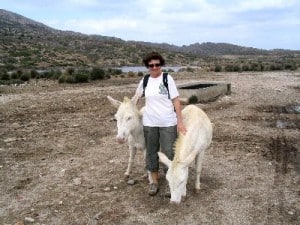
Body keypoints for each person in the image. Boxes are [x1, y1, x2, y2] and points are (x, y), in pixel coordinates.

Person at [134, 51, 187, 196]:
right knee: (151, 152)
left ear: (161, 64)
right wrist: (126, 111)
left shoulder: (167, 78)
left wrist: (180, 121)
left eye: (157, 64)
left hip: (168, 122)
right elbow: (136, 98)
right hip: (150, 123)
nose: (154, 67)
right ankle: (154, 181)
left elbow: (176, 100)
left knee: (169, 152)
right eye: (151, 65)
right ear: (147, 66)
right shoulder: (144, 81)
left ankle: (171, 182)